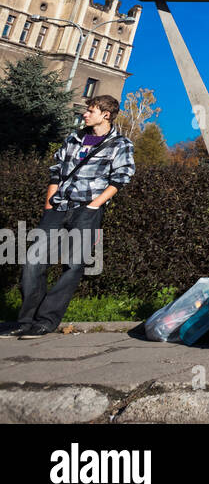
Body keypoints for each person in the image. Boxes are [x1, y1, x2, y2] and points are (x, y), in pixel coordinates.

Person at [7, 96, 135, 339]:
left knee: (73, 266)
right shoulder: (74, 138)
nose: (86, 114)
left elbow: (121, 178)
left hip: (86, 210)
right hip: (58, 208)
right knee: (34, 261)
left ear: (106, 114)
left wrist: (92, 206)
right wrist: (49, 204)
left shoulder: (120, 144)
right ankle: (25, 321)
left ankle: (46, 321)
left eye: (91, 111)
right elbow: (56, 171)